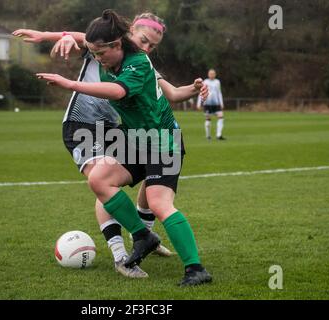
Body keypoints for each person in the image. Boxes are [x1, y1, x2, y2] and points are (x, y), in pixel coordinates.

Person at [13, 13, 209, 279]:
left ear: (118, 44)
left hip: (163, 141)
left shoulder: (138, 62)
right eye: (93, 53)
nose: (96, 58)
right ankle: (143, 237)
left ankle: (195, 269)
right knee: (99, 179)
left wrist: (69, 83)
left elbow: (117, 91)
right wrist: (46, 36)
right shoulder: (107, 52)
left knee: (159, 202)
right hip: (135, 139)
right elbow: (85, 39)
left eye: (100, 53)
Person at [197, 69, 226, 140]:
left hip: (216, 103)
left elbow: (219, 92)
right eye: (210, 73)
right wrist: (199, 103)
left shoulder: (217, 82)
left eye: (213, 73)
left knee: (221, 117)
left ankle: (219, 135)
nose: (212, 75)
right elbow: (201, 92)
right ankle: (208, 136)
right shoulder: (205, 82)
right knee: (208, 119)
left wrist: (221, 103)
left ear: (215, 74)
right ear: (208, 74)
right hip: (207, 103)